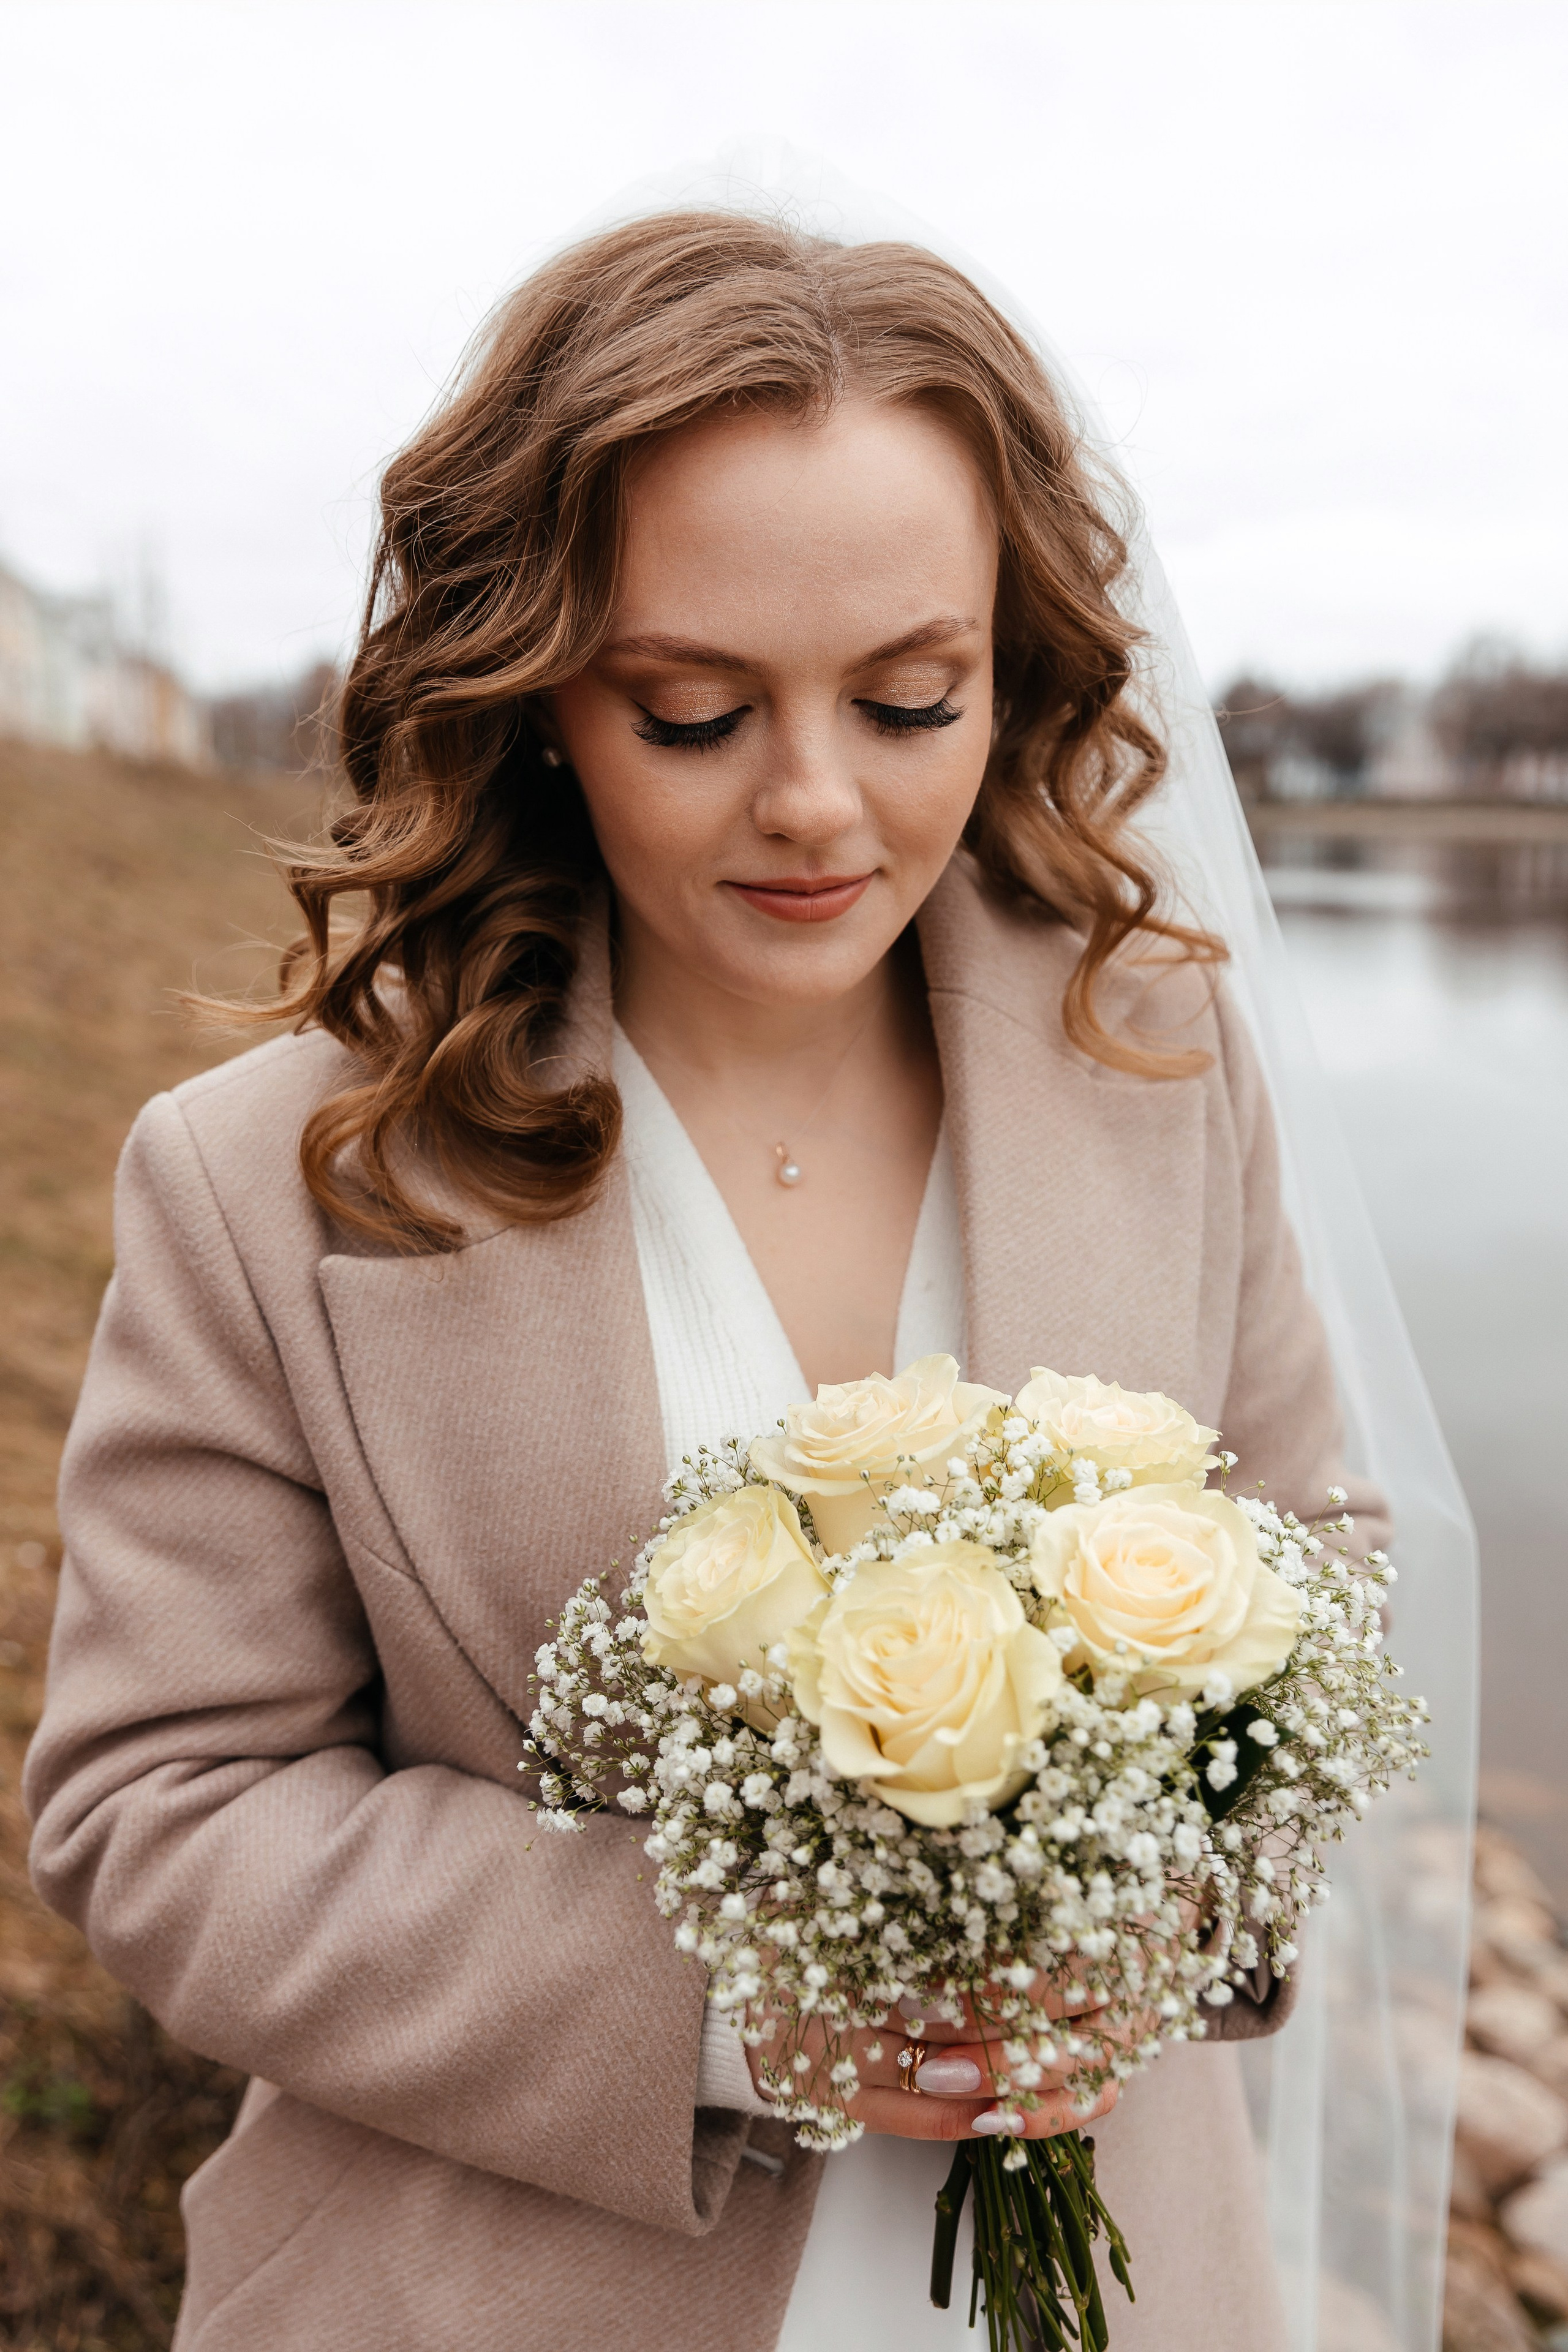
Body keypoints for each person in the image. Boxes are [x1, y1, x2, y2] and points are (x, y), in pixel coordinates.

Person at [26, 208, 1385, 2352]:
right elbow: (158, 1812)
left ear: (1011, 669)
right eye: (692, 712)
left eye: (912, 696)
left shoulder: (1162, 1063)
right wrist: (740, 1994)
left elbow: (1318, 1571)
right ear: (540, 686)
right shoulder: (261, 1184)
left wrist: (1143, 1919)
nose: (818, 803)